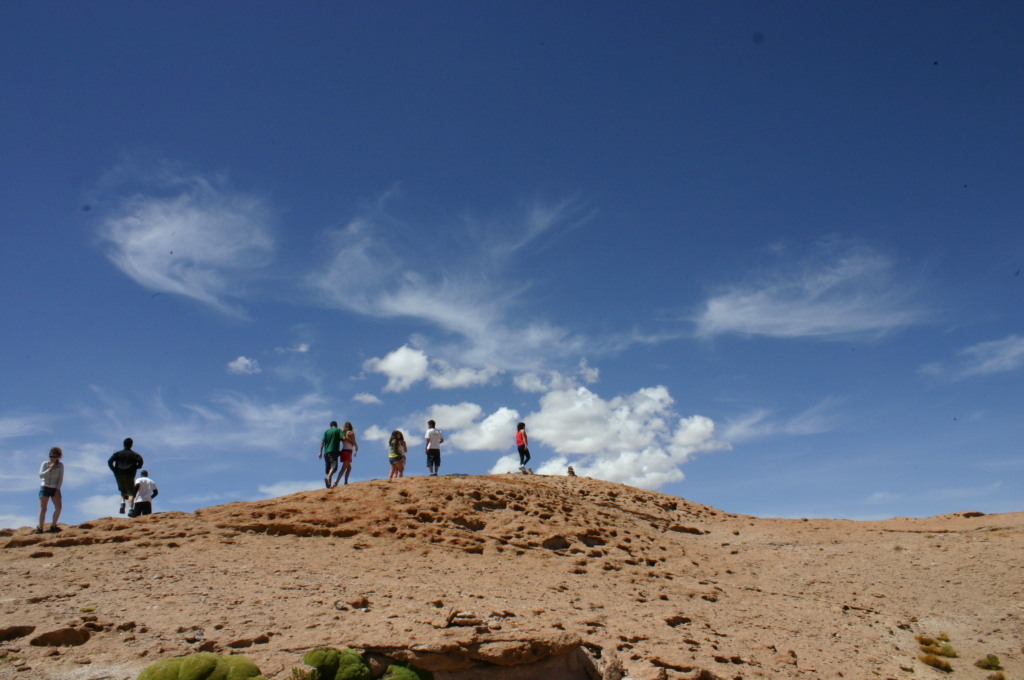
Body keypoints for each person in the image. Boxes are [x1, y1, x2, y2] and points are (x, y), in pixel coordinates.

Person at [108, 438, 144, 515]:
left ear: (123, 444)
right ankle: (131, 509)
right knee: (130, 493)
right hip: (130, 474)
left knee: (123, 491)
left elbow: (109, 461)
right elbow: (140, 461)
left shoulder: (118, 454)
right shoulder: (135, 455)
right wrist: (137, 467)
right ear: (131, 445)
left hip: (119, 474)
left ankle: (122, 504)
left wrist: (114, 470)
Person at [37, 447, 64, 534]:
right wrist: (50, 469)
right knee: (43, 508)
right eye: (51, 456)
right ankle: (40, 527)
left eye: (54, 456)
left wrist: (57, 489)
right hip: (45, 487)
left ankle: (53, 526)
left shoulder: (60, 466)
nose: (52, 458)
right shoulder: (45, 464)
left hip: (54, 487)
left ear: (58, 457)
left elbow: (60, 478)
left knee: (58, 507)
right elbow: (41, 475)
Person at [319, 421, 343, 488]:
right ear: (336, 425)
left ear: (330, 426)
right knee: (334, 467)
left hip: (326, 452)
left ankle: (329, 484)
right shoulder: (338, 430)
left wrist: (320, 452)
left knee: (329, 468)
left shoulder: (326, 432)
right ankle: (328, 478)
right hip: (334, 451)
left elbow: (322, 442)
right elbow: (343, 438)